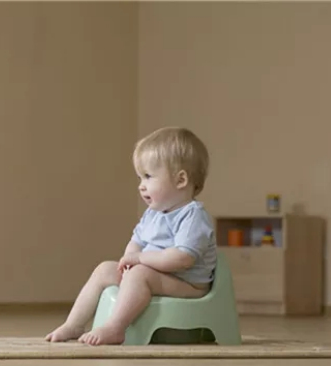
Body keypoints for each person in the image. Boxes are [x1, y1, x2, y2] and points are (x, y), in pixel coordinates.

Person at [45, 126, 217, 345]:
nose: (141, 186)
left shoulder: (192, 216)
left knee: (139, 274)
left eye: (148, 177)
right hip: (154, 275)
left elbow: (182, 259)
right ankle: (74, 324)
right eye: (139, 178)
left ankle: (115, 328)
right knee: (105, 269)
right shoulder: (153, 214)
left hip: (188, 284)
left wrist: (140, 260)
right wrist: (129, 260)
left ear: (180, 180)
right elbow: (136, 242)